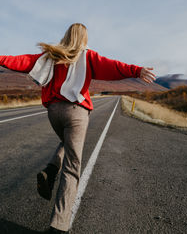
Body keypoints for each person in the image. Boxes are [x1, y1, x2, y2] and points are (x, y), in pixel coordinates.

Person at [0, 23, 155, 234]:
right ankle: (59, 226)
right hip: (76, 112)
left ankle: (51, 169)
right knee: (72, 168)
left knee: (67, 142)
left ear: (67, 36)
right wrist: (137, 70)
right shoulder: (87, 56)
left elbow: (21, 61)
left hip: (53, 112)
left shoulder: (50, 56)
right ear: (83, 38)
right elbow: (112, 66)